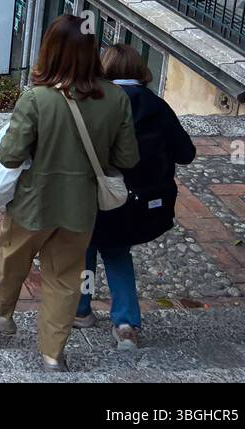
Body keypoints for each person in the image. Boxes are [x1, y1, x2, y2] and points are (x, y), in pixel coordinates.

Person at [0, 15, 140, 372]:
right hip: (80, 207)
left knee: (12, 260)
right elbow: (127, 157)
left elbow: (10, 155)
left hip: (32, 203)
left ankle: (2, 313)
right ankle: (53, 352)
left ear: (50, 50)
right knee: (66, 278)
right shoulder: (116, 99)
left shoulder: (36, 99)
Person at [74, 43, 196, 350]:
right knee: (117, 254)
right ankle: (126, 324)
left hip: (95, 197)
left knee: (84, 251)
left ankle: (80, 310)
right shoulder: (157, 106)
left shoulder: (96, 102)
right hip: (137, 202)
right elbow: (186, 153)